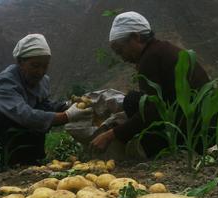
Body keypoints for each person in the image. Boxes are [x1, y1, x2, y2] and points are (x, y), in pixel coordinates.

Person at [90, 12, 210, 158]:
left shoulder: (150, 58)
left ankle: (160, 153)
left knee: (134, 104)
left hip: (194, 134)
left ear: (135, 37)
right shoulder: (161, 49)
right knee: (133, 100)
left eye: (120, 51)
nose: (123, 58)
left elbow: (152, 111)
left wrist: (111, 134)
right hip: (205, 127)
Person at [0, 34, 92, 166]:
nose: (40, 71)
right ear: (20, 62)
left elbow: (44, 105)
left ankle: (31, 160)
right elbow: (23, 114)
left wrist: (66, 106)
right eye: (35, 65)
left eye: (45, 66)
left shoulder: (43, 81)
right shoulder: (6, 81)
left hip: (22, 130)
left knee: (40, 113)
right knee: (2, 118)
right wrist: (66, 116)